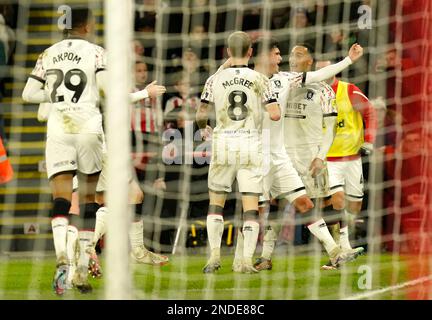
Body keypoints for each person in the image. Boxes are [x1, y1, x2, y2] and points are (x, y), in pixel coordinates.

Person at [21, 7, 164, 295]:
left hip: (59, 131)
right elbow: (108, 94)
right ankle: (82, 271)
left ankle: (62, 253)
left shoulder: (46, 55)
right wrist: (142, 94)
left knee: (62, 199)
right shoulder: (97, 52)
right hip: (88, 130)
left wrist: (56, 97)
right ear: (86, 26)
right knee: (89, 200)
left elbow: (27, 95)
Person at [253, 42, 365, 270]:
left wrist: (321, 156)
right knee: (274, 204)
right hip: (282, 155)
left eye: (299, 54)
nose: (292, 58)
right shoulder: (282, 81)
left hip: (310, 157)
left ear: (310, 61)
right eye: (291, 54)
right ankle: (265, 256)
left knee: (326, 204)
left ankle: (341, 248)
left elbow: (331, 127)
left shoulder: (323, 90)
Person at [196, 31, 281, 274]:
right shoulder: (259, 79)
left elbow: (201, 115)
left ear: (227, 51)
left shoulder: (215, 79)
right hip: (250, 143)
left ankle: (213, 258)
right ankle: (245, 261)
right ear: (251, 52)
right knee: (251, 206)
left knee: (216, 204)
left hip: (223, 142)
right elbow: (274, 113)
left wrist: (204, 130)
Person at [315, 60, 378, 270]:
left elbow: (370, 112)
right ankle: (343, 247)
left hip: (353, 158)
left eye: (326, 68)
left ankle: (342, 244)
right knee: (337, 200)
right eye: (319, 69)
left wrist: (368, 139)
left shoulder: (348, 90)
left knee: (354, 206)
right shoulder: (313, 94)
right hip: (329, 159)